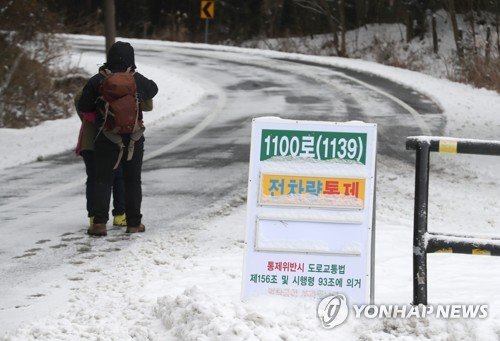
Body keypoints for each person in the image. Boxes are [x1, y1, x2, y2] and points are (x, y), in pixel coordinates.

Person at [78, 41, 158, 236]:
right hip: (134, 138)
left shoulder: (97, 80)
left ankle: (99, 224)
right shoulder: (137, 79)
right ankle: (133, 223)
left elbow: (84, 105)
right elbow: (153, 89)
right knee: (132, 180)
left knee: (102, 179)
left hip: (106, 137)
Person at [74, 90, 127, 228]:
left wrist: (87, 118)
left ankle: (94, 218)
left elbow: (78, 100)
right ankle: (120, 215)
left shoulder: (93, 83)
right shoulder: (121, 85)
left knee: (93, 179)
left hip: (90, 140)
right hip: (115, 139)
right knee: (118, 177)